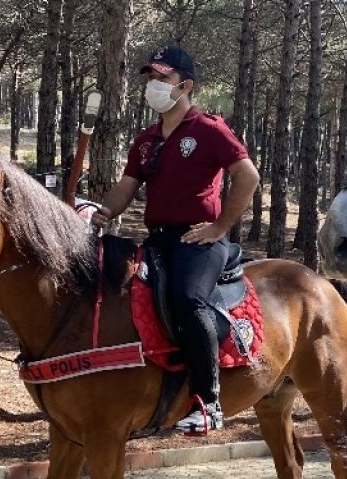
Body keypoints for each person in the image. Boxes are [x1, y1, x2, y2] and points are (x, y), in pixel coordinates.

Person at [87, 45, 260, 435]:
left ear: (185, 85)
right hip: (158, 240)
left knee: (187, 298)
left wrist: (219, 228)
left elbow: (248, 177)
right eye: (151, 79)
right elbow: (125, 187)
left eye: (162, 79)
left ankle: (210, 402)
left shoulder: (209, 130)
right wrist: (104, 213)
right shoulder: (146, 140)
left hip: (200, 241)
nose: (153, 85)